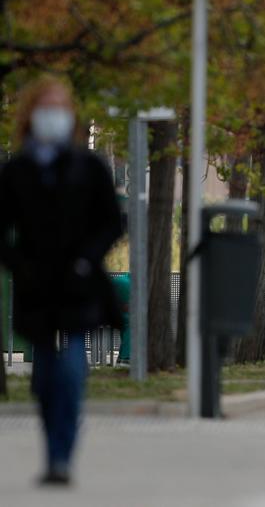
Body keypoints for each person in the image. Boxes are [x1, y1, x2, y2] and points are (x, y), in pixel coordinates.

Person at [0, 76, 124, 487]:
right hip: (37, 289)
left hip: (78, 285)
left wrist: (87, 258)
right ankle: (52, 449)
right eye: (45, 106)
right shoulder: (17, 171)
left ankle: (61, 458)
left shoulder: (88, 167)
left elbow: (111, 221)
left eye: (60, 106)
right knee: (45, 377)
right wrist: (20, 265)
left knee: (70, 369)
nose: (53, 115)